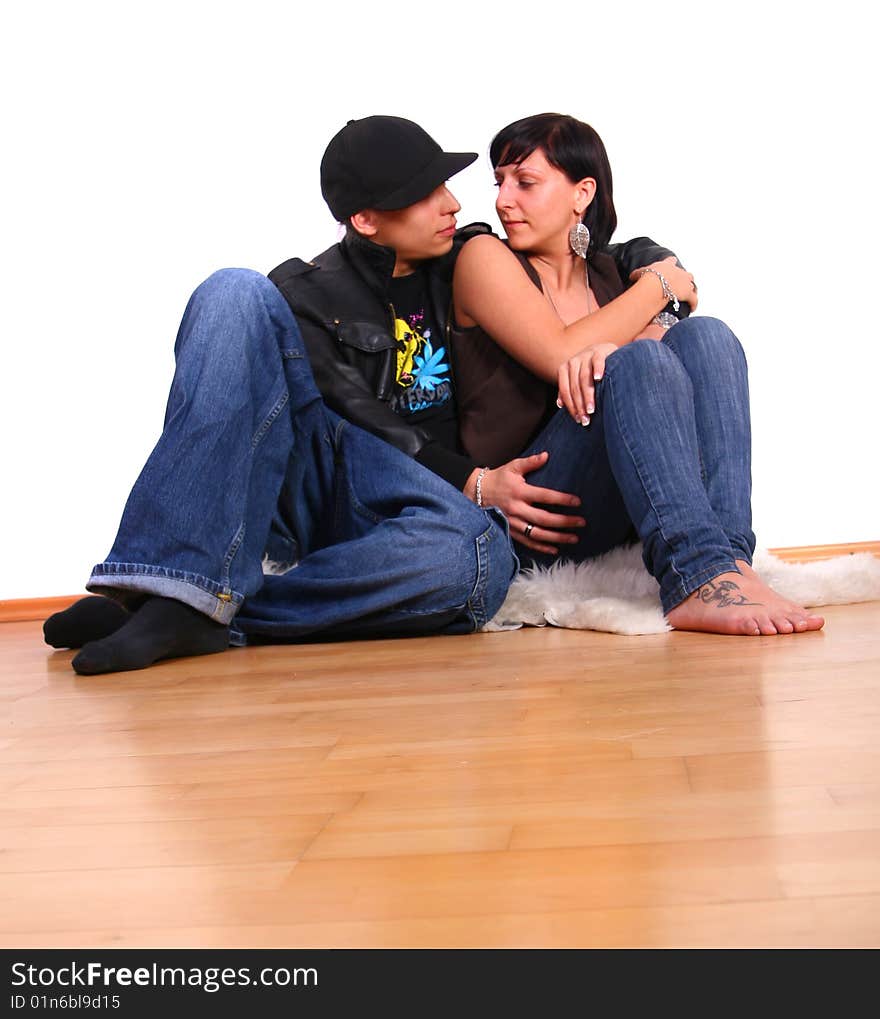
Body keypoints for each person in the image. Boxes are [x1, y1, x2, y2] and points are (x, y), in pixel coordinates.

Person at [44, 117, 520, 675]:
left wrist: (651, 265)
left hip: (416, 503)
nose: (453, 204)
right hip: (334, 467)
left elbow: (585, 251)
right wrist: (470, 477)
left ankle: (192, 609)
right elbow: (347, 409)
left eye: (446, 184)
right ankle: (176, 585)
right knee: (234, 288)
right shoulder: (306, 291)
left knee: (473, 557)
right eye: (425, 193)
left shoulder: (475, 260)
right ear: (364, 219)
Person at [449, 112, 825, 637]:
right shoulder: (483, 256)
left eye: (525, 183)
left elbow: (668, 336)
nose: (502, 200)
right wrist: (660, 288)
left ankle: (729, 563)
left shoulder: (609, 273)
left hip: (617, 505)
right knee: (641, 357)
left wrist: (636, 329)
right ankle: (695, 574)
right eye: (500, 182)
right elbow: (562, 353)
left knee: (708, 336)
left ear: (582, 193)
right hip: (537, 506)